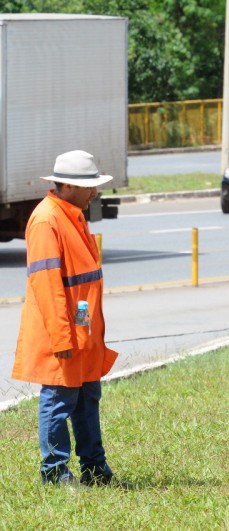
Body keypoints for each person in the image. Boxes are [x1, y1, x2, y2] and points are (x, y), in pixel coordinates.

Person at [12, 150, 120, 487]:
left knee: (87, 398)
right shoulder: (47, 220)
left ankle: (95, 469)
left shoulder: (71, 213)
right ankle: (54, 473)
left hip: (80, 329)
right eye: (91, 187)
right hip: (61, 331)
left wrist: (84, 330)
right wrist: (63, 337)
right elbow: (47, 286)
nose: (96, 193)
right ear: (70, 186)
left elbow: (80, 285)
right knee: (59, 401)